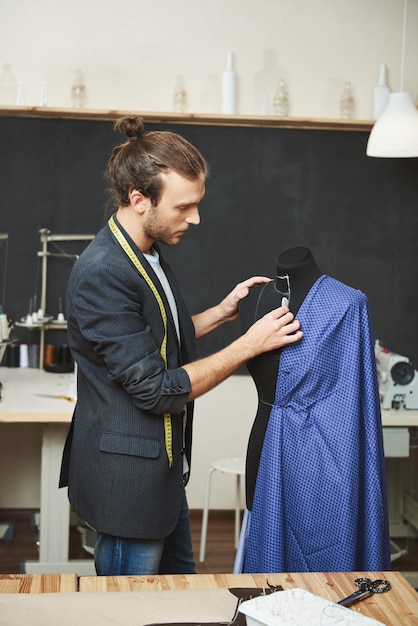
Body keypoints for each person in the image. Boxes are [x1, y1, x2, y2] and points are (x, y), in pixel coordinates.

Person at [59, 116, 303, 576]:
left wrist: (219, 313)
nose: (195, 218)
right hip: (128, 485)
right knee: (127, 613)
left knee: (179, 599)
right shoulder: (103, 273)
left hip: (163, 475)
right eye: (184, 206)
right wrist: (247, 346)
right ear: (139, 199)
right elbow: (156, 388)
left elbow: (152, 336)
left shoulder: (146, 251)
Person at [234, 246, 391, 573]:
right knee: (268, 553)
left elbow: (354, 395)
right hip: (263, 442)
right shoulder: (261, 296)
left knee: (322, 556)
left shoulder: (347, 304)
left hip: (323, 454)